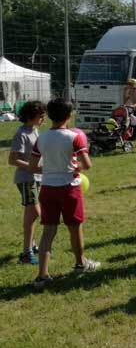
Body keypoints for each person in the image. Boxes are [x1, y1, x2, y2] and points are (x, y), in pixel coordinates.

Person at [28, 99, 98, 289]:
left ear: (49, 116)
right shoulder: (75, 137)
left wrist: (51, 169)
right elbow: (87, 165)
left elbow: (34, 166)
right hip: (69, 188)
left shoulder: (41, 139)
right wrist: (74, 166)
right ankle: (80, 264)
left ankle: (42, 276)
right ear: (69, 116)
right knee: (75, 228)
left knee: (48, 231)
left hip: (48, 188)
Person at [9, 101, 46, 265]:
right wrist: (34, 168)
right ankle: (26, 254)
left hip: (36, 178)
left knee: (32, 214)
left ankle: (30, 244)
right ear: (31, 117)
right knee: (35, 213)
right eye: (40, 116)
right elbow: (13, 160)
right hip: (26, 179)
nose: (43, 119)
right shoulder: (21, 134)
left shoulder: (35, 131)